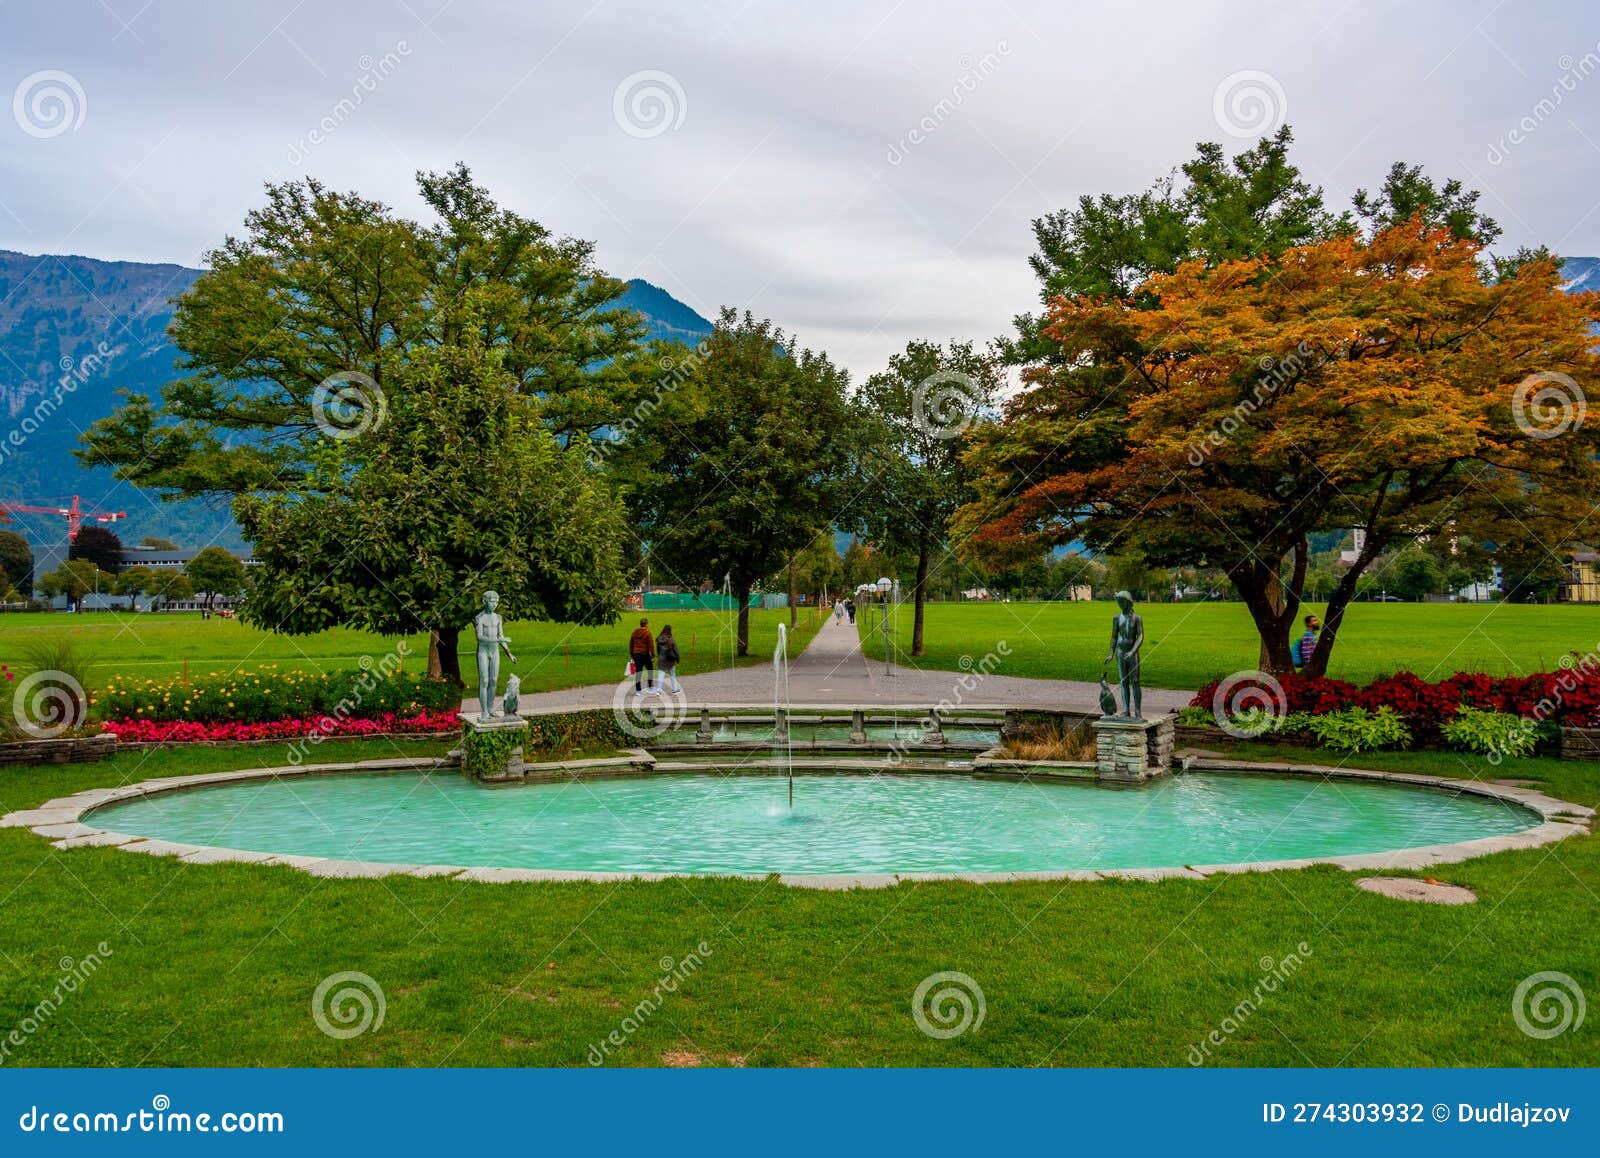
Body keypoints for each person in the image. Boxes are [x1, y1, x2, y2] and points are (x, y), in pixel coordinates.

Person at [629, 617, 656, 695]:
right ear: (646, 624)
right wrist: (653, 655)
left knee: (638, 672)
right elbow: (651, 645)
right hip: (645, 654)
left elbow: (631, 644)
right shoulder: (648, 633)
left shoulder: (634, 633)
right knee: (650, 671)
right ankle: (650, 688)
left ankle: (638, 690)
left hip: (636, 654)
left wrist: (631, 654)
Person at [657, 624, 681, 694]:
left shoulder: (659, 639)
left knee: (660, 675)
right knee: (672, 674)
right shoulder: (671, 639)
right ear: (670, 631)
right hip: (670, 659)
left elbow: (658, 649)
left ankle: (658, 690)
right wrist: (678, 658)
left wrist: (659, 655)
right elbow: (675, 649)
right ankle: (675, 689)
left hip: (662, 658)